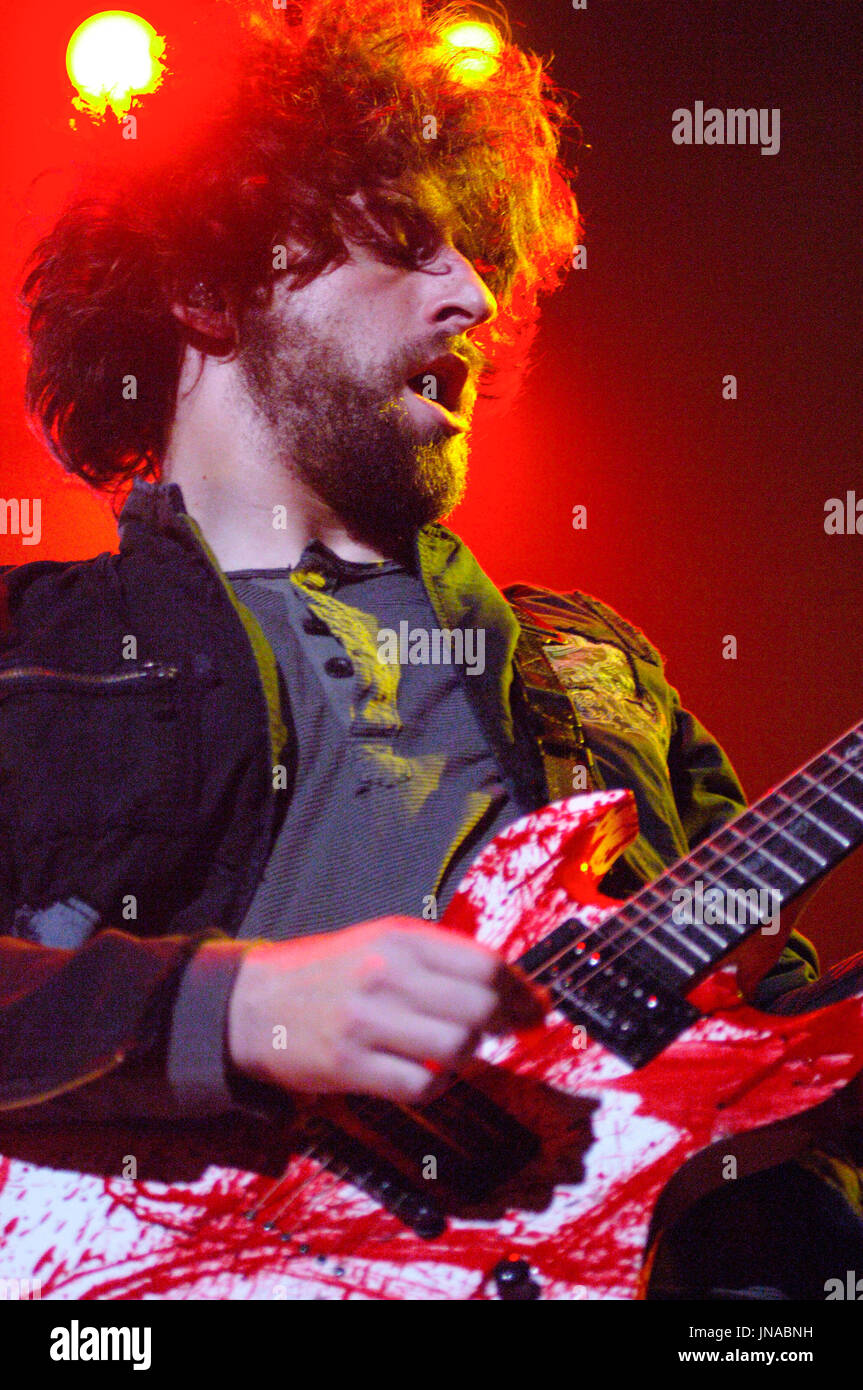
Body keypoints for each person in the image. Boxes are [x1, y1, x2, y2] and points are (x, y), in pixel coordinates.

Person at [1, 0, 860, 1299]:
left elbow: (782, 1041)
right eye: (410, 244)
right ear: (207, 285)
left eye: (483, 258)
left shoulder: (592, 663)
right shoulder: (28, 654)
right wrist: (235, 1010)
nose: (475, 291)